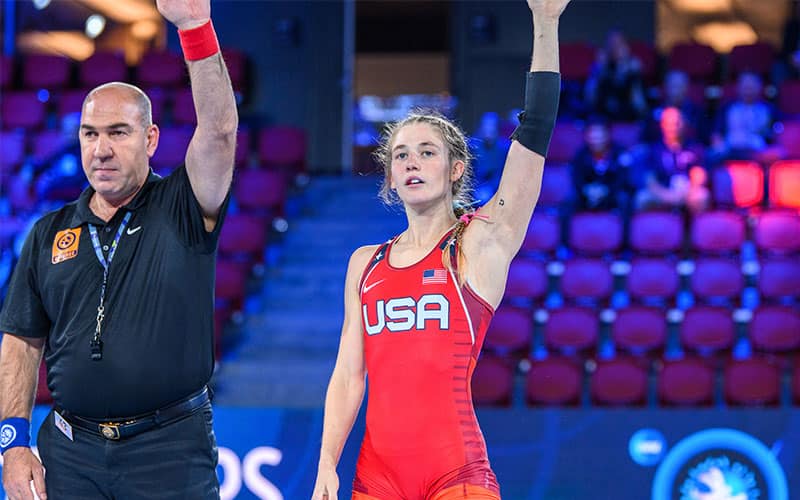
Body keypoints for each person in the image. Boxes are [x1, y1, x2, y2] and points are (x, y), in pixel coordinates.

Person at [311, 0, 569, 498]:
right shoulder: (365, 265)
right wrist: (326, 462)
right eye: (401, 155)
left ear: (454, 169)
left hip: (456, 474)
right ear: (389, 174)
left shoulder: (480, 241)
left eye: (428, 152)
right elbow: (348, 374)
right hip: (375, 478)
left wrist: (546, 21)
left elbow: (534, 132)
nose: (412, 162)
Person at [0, 0, 237, 498]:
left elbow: (217, 131)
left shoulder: (184, 206)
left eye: (117, 133)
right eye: (90, 134)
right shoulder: (48, 233)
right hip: (70, 454)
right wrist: (13, 445)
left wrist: (195, 28)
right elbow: (21, 343)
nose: (100, 149)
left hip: (169, 451)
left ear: (150, 138)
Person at [635, 107, 709, 213]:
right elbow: (650, 181)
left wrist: (684, 194)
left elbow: (699, 176)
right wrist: (668, 196)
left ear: (684, 124)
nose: (673, 128)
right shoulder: (653, 150)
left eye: (677, 123)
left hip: (687, 192)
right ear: (662, 125)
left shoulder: (695, 148)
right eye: (669, 124)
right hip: (662, 192)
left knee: (702, 196)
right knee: (642, 198)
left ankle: (697, 229)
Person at [570, 115, 633, 211]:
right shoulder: (580, 155)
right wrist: (587, 190)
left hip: (612, 194)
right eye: (593, 134)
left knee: (624, 200)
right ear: (587, 136)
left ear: (608, 134)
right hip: (588, 194)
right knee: (568, 203)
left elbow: (623, 178)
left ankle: (625, 226)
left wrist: (606, 190)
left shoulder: (620, 153)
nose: (596, 139)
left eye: (600, 134)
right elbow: (577, 178)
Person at [584, 28, 648, 121]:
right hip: (603, 114)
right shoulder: (600, 66)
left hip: (628, 114)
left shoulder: (633, 66)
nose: (614, 47)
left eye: (618, 44)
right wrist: (598, 69)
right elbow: (589, 98)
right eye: (611, 44)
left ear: (625, 45)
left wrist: (622, 65)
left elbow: (639, 103)